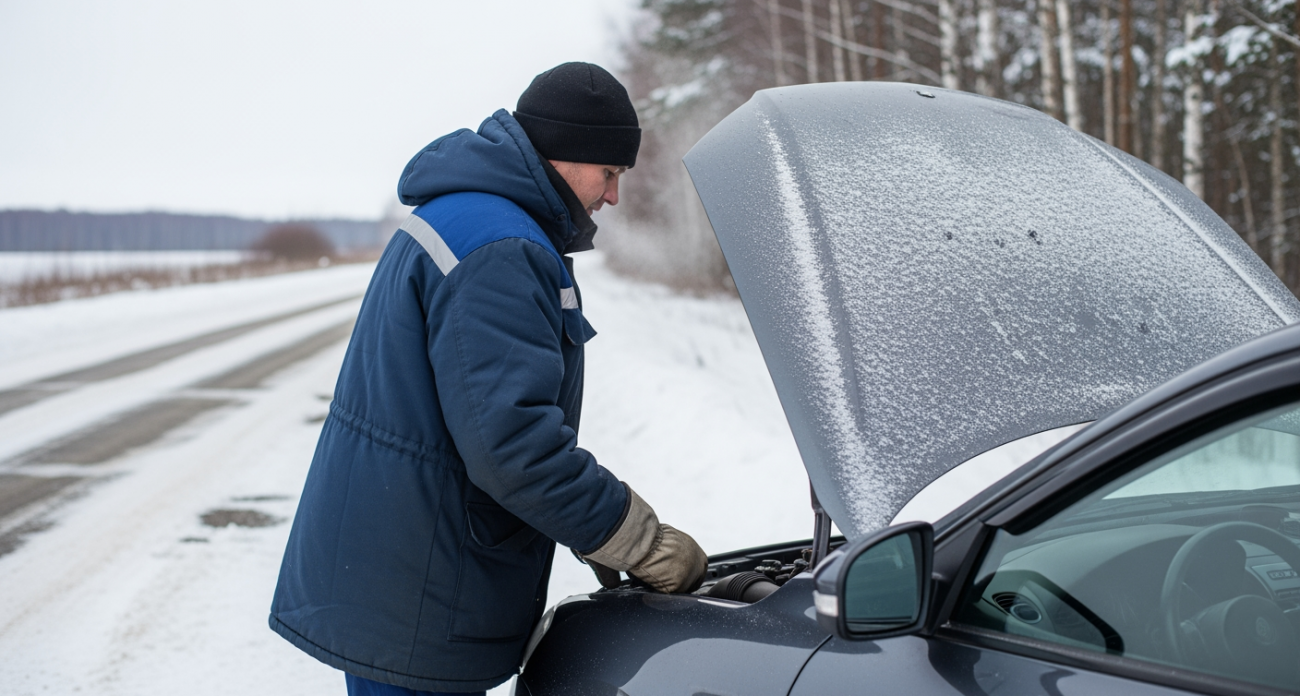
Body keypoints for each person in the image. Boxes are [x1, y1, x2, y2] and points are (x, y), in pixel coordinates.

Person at [268, 62, 708, 695]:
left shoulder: (466, 216)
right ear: (564, 155)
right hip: (421, 584)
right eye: (609, 173)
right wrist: (637, 540)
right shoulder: (503, 248)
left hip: (398, 568)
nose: (613, 196)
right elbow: (514, 446)